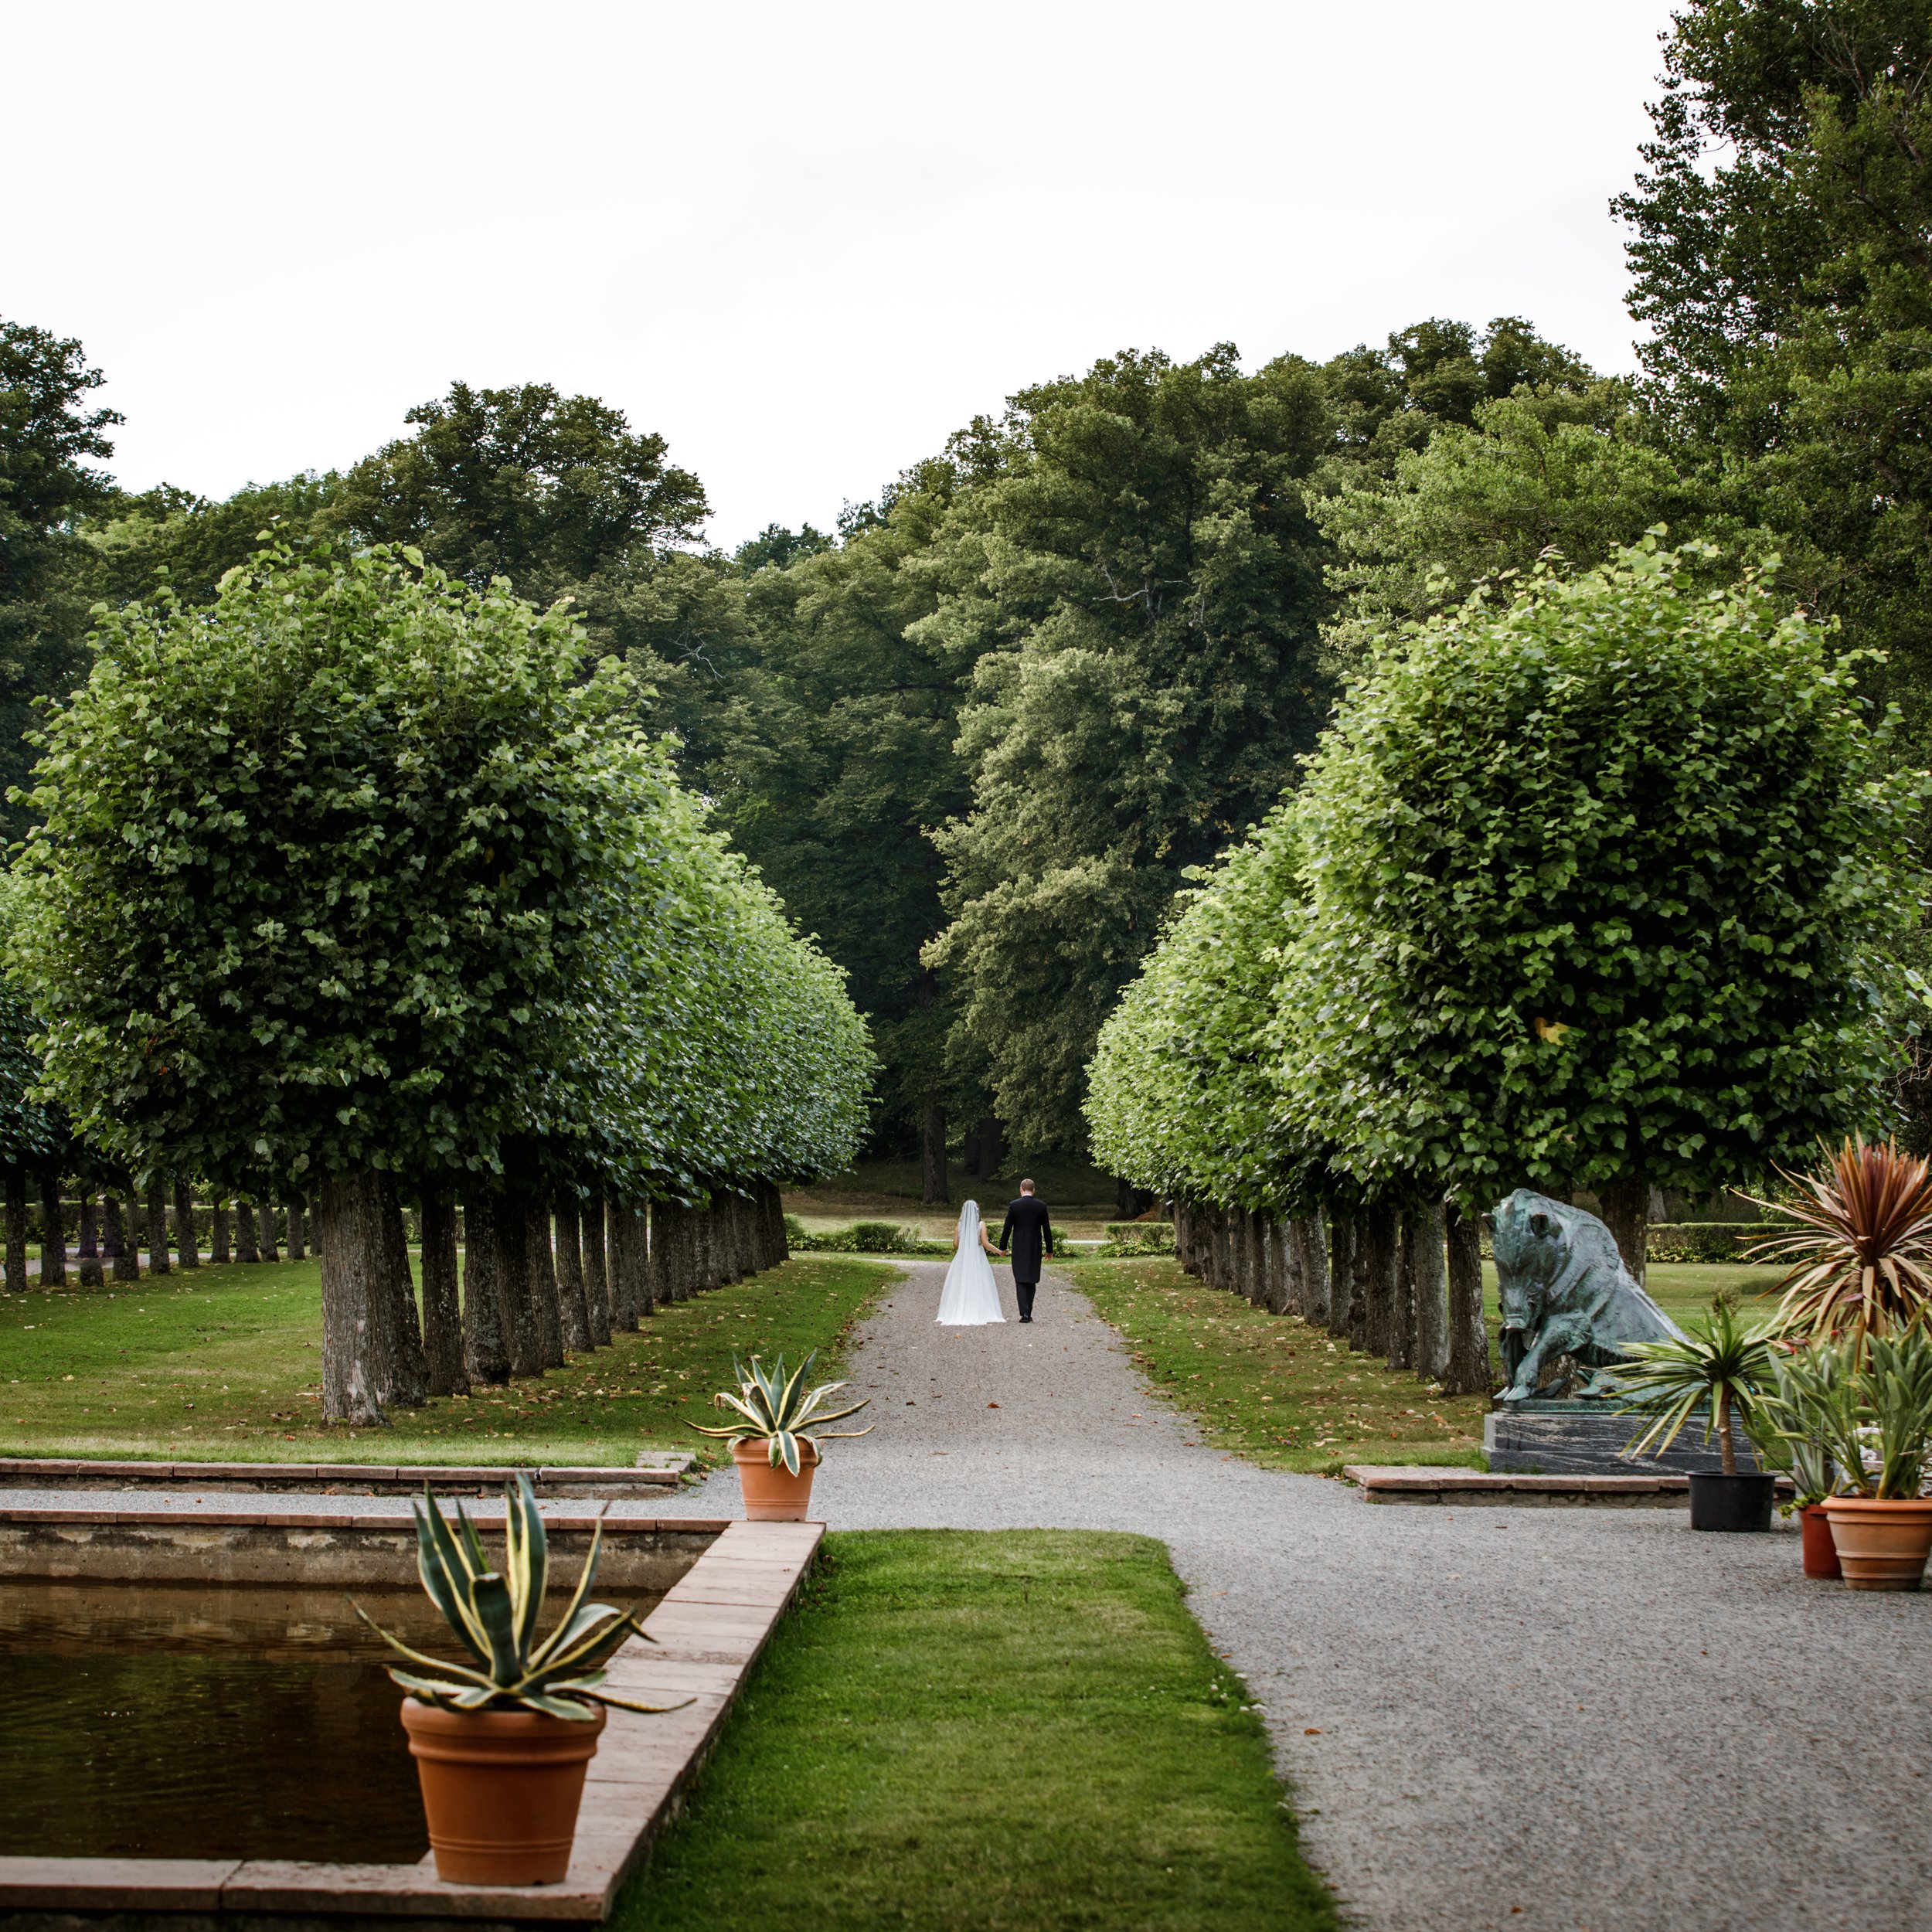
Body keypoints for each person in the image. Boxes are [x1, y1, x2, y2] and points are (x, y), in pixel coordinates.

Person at [937, 1199, 1005, 1325]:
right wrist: (999, 1252)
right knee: (980, 1282)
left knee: (960, 1282)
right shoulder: (981, 1225)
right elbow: (985, 1243)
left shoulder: (959, 1225)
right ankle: (979, 1310)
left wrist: (966, 1247)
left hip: (962, 1258)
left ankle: (958, 1309)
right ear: (977, 1211)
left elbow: (956, 1244)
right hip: (978, 1257)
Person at [997, 1179, 1053, 1323]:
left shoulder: (1014, 1205)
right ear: (1033, 1190)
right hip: (1035, 1245)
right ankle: (1029, 1310)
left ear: (1021, 1189)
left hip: (1019, 1246)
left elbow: (1007, 1227)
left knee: (1020, 1278)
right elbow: (1046, 1229)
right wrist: (1049, 1249)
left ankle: (1024, 1313)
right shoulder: (1041, 1206)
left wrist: (1002, 1247)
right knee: (1032, 1279)